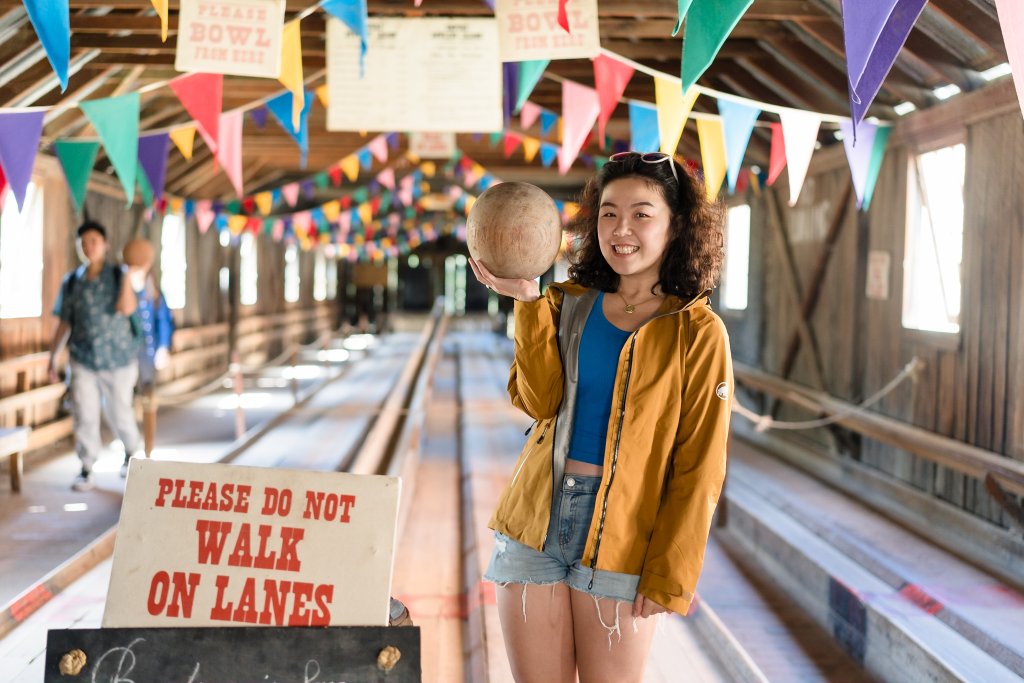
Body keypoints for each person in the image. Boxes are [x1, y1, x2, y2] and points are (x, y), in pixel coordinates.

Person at [469, 151, 732, 683]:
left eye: (642, 213)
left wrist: (669, 574)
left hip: (624, 536)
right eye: (609, 213)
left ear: (676, 224)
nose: (621, 229)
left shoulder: (697, 334)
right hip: (535, 522)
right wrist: (527, 300)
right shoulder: (569, 304)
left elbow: (700, 466)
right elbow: (539, 402)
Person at [48, 221, 143, 492]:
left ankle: (131, 452)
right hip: (83, 358)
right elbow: (65, 322)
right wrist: (52, 358)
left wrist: (126, 274)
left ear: (105, 244)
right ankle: (87, 466)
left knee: (119, 411)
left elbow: (126, 308)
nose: (88, 247)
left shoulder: (117, 275)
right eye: (83, 242)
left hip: (119, 359)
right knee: (85, 413)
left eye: (94, 241)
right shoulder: (71, 282)